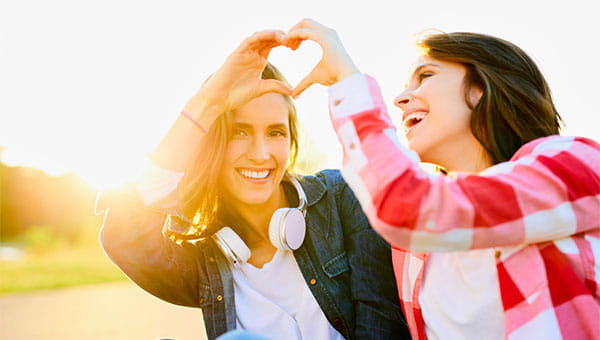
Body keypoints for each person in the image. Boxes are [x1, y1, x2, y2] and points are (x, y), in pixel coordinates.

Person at [285, 19, 600, 340]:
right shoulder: (411, 252)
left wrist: (347, 81)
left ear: (479, 90)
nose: (401, 98)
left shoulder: (573, 162)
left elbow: (409, 205)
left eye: (426, 76)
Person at [97, 30, 409, 340]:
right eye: (240, 132)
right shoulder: (205, 261)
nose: (261, 155)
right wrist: (207, 102)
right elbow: (125, 237)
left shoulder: (341, 196)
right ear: (211, 142)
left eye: (275, 132)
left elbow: (381, 325)